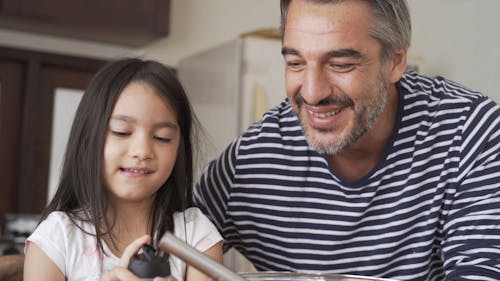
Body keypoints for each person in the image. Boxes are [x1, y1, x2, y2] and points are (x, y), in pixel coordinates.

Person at [194, 0, 500, 280]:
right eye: (296, 63)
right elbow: (167, 238)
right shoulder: (252, 161)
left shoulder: (469, 133)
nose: (312, 93)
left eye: (340, 64)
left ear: (395, 61)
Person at [23, 58, 223, 281]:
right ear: (88, 138)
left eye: (162, 137)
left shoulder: (195, 234)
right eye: (121, 132)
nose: (142, 151)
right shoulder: (56, 238)